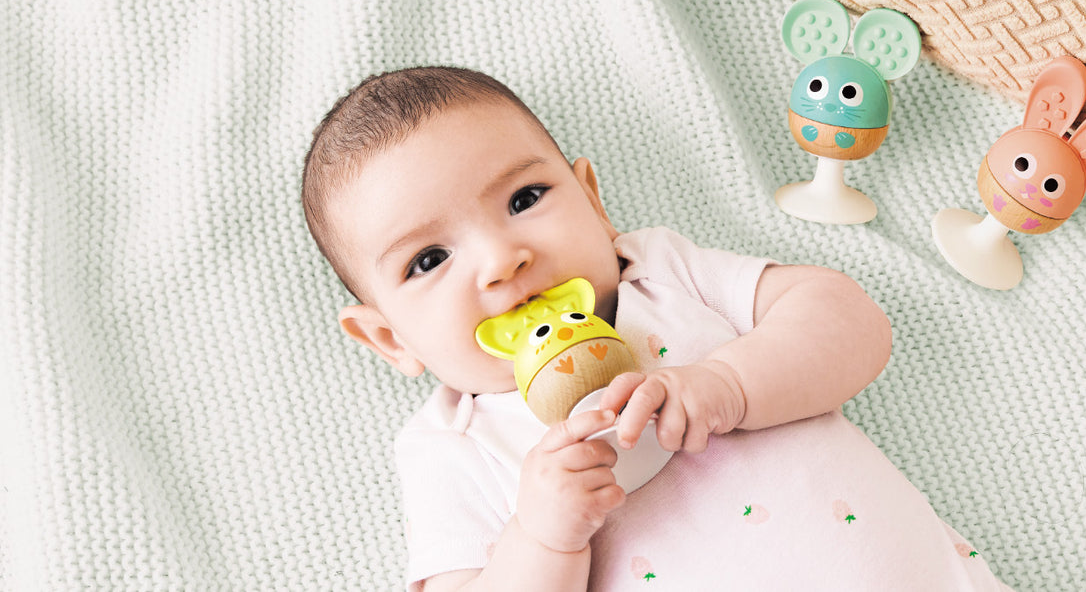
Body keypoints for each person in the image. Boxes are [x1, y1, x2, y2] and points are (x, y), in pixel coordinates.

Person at [301, 66, 1012, 591]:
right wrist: (543, 538)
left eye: (524, 198)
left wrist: (727, 384)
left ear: (594, 200)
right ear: (390, 338)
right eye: (429, 259)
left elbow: (851, 323)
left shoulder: (660, 271)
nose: (499, 259)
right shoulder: (451, 445)